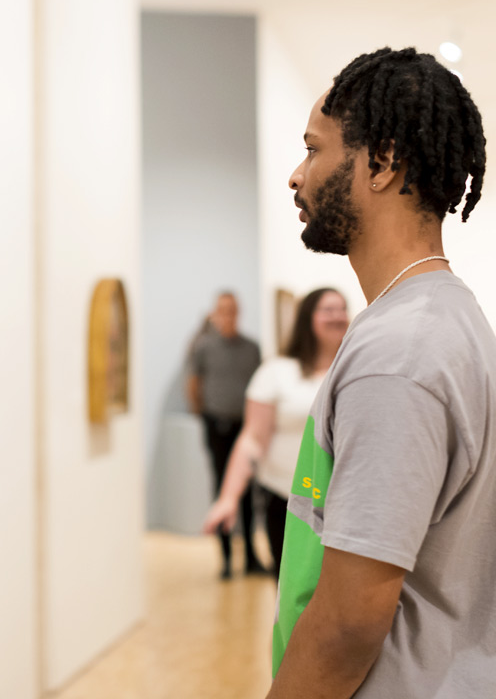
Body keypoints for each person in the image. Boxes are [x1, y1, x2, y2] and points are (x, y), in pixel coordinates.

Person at [270, 47, 495, 698]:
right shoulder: (433, 321)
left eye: (314, 150)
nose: (296, 176)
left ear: (383, 161)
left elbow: (350, 621)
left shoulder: (401, 353)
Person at [201, 288, 348, 576]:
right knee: (293, 597)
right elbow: (252, 440)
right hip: (287, 502)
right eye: (327, 310)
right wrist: (228, 498)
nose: (337, 316)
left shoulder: (354, 370)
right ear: (307, 318)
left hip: (344, 503)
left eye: (342, 309)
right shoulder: (278, 371)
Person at [187, 292, 264, 578]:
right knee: (223, 489)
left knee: (247, 491)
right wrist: (203, 413)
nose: (228, 315)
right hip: (216, 425)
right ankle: (227, 559)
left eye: (232, 310)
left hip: (246, 427)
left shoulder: (252, 348)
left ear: (238, 312)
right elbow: (194, 382)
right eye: (222, 310)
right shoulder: (204, 347)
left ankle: (252, 558)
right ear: (215, 313)